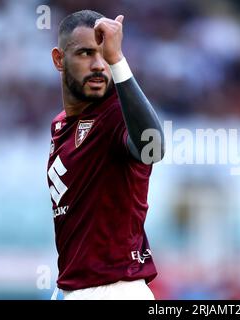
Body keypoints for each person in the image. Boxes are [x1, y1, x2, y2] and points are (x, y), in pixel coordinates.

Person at [47, 10, 165, 300]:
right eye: (86, 53)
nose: (99, 65)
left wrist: (119, 61)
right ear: (59, 60)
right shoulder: (60, 125)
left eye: (105, 55)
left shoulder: (117, 113)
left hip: (117, 291)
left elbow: (153, 146)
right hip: (73, 289)